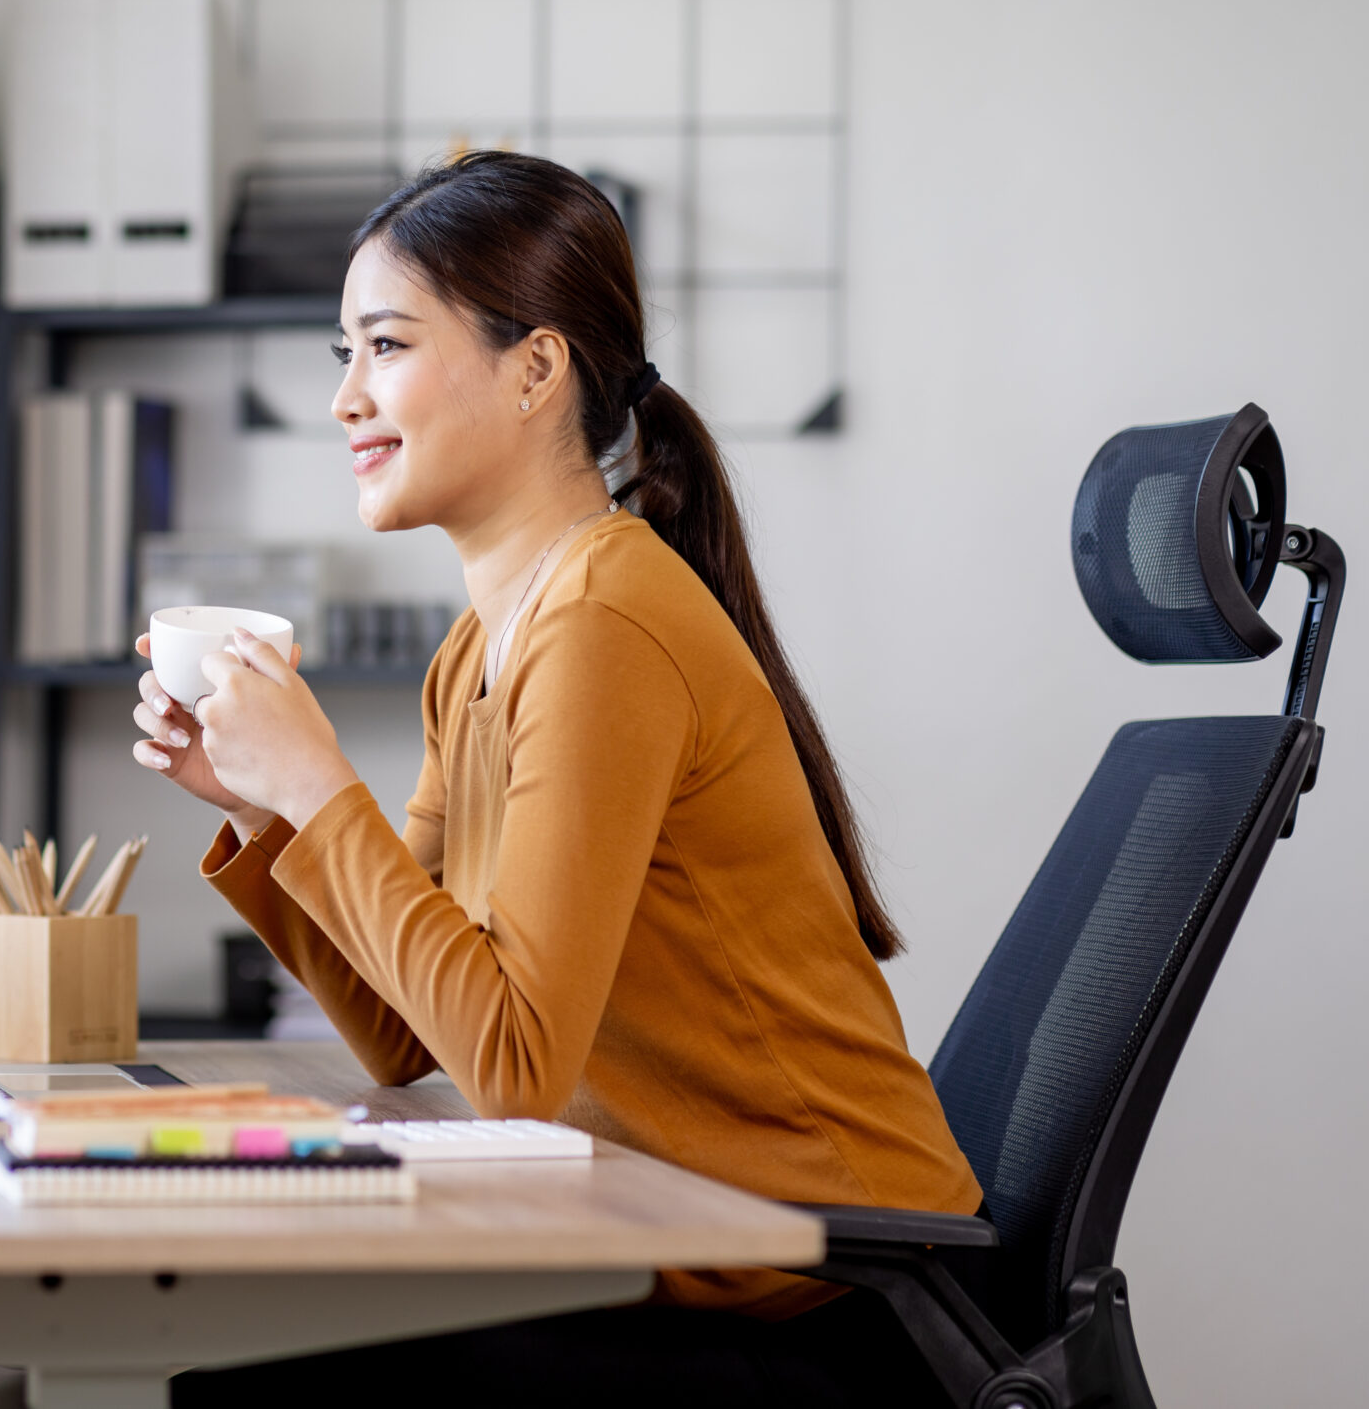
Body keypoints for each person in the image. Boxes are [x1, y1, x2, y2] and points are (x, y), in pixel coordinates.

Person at [133, 152, 981, 1407]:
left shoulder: (604, 625)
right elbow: (400, 1036)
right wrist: (263, 807)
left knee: (241, 1379)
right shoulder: (481, 644)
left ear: (535, 369)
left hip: (830, 1292)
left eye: (384, 346)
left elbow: (514, 1064)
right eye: (341, 356)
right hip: (690, 1244)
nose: (345, 400)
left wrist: (319, 787)